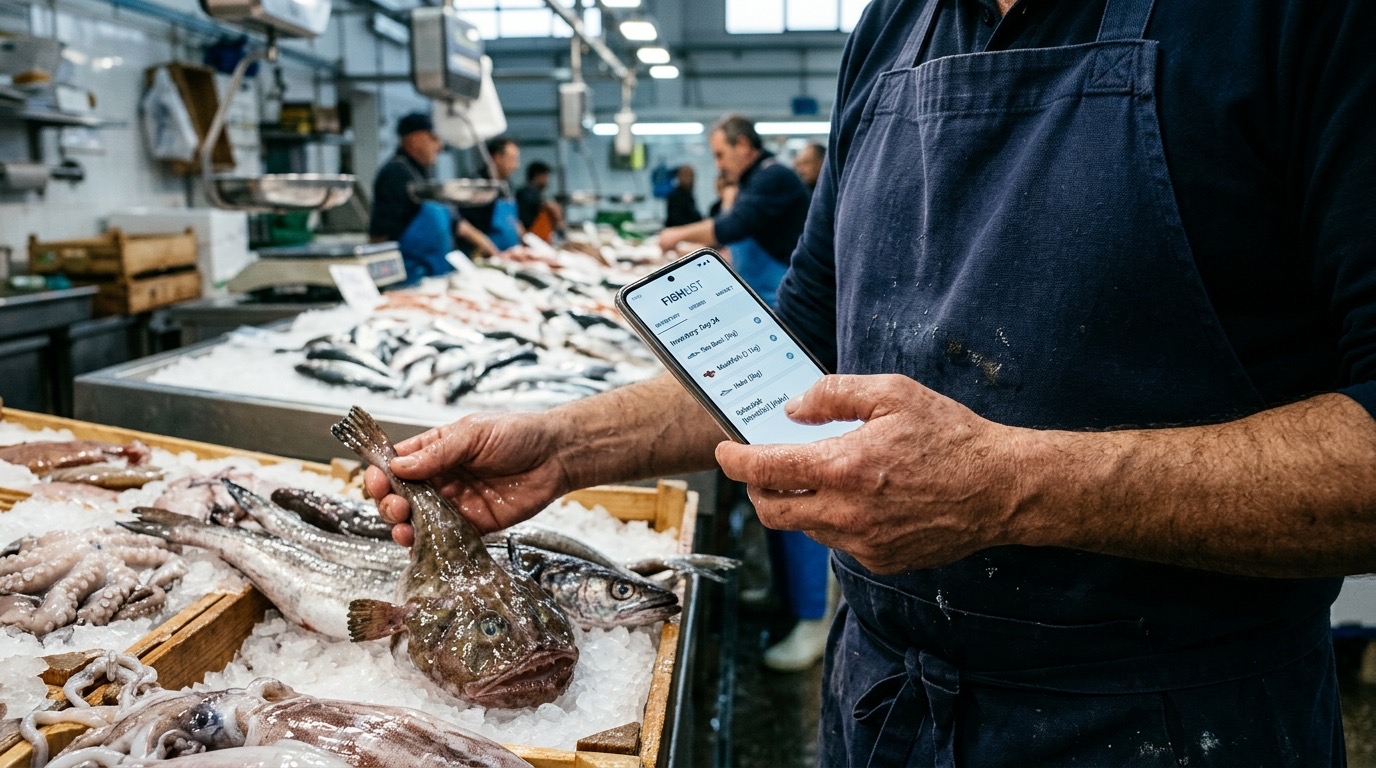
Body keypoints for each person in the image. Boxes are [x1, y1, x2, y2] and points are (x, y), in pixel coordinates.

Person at [366, 0, 1376, 763]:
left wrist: (1013, 485)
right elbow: (798, 358)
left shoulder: (1301, 21)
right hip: (880, 703)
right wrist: (564, 447)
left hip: (1167, 720)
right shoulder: (893, 28)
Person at [658, 114, 810, 308]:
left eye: (720, 155)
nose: (718, 165)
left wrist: (677, 235)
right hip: (760, 290)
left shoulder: (773, 175)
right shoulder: (751, 180)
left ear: (742, 145)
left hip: (780, 292)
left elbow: (733, 226)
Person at [369, 112, 497, 281]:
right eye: (434, 138)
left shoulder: (422, 174)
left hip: (433, 277)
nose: (440, 146)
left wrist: (489, 247)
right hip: (409, 280)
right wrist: (381, 282)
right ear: (413, 139)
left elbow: (456, 222)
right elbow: (380, 235)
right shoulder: (395, 174)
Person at [463, 136, 525, 252]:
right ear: (497, 158)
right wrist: (491, 251)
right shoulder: (478, 186)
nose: (516, 166)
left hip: (511, 254)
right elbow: (466, 226)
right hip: (484, 255)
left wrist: (526, 240)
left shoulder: (508, 186)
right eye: (512, 159)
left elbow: (512, 221)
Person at [516, 161, 563, 243]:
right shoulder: (528, 192)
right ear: (537, 176)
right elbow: (551, 207)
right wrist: (560, 223)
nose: (548, 180)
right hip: (531, 237)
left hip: (534, 238)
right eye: (546, 176)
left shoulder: (532, 192)